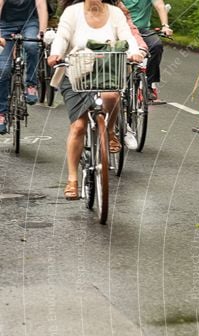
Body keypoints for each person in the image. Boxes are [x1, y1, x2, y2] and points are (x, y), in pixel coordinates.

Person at [47, 0, 142, 200]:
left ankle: (109, 130)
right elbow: (62, 37)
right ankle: (72, 179)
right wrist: (55, 53)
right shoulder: (72, 12)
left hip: (107, 72)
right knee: (79, 126)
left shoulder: (115, 13)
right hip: (76, 74)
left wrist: (134, 52)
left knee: (111, 96)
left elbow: (126, 36)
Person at [0, 0, 48, 134]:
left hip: (29, 24)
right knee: (3, 69)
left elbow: (41, 6)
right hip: (5, 26)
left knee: (32, 46)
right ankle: (1, 114)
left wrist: (42, 33)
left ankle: (31, 85)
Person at [120, 0, 170, 102]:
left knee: (156, 45)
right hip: (123, 29)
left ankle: (149, 85)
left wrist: (165, 26)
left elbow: (159, 5)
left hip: (143, 30)